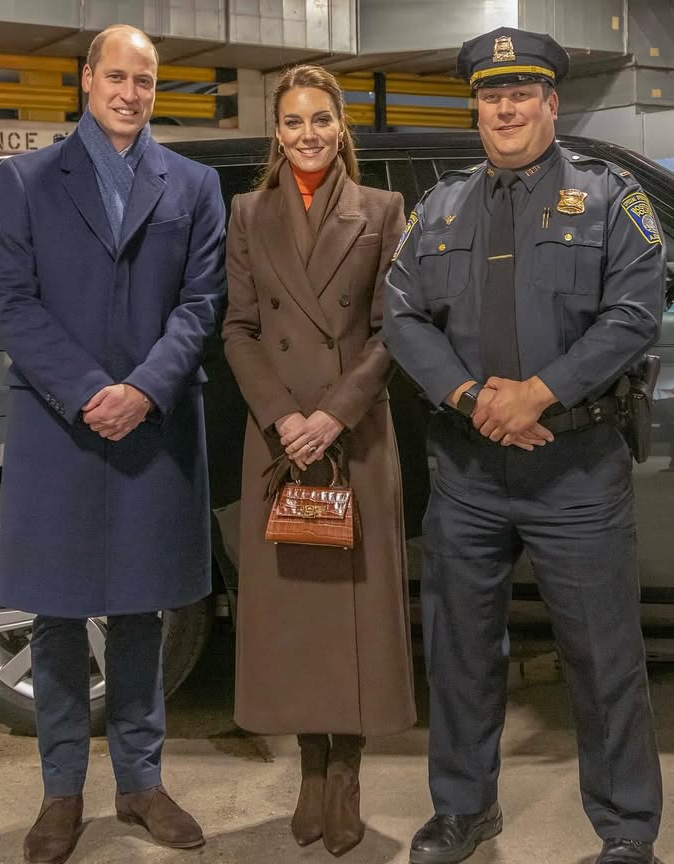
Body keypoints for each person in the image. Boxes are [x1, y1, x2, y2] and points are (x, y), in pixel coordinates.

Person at [383, 27, 665, 864]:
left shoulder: (611, 198)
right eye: (490, 94)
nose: (505, 106)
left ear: (550, 102)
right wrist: (474, 399)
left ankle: (625, 832)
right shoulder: (438, 207)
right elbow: (400, 317)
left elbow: (634, 313)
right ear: (476, 107)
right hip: (468, 468)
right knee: (461, 652)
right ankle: (464, 812)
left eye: (522, 92)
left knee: (602, 656)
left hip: (575, 466)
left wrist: (539, 393)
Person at [0, 24, 226, 864]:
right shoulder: (26, 179)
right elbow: (11, 300)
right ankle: (60, 792)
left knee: (140, 610)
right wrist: (92, 392)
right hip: (60, 423)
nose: (130, 93)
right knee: (54, 613)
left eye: (146, 81)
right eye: (116, 76)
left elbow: (201, 303)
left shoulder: (193, 185)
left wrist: (143, 390)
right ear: (85, 80)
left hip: (152, 424)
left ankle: (141, 783)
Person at [222, 64, 415, 857]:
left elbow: (393, 329)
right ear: (278, 130)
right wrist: (284, 417)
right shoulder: (248, 211)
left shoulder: (381, 210)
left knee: (357, 611)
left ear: (342, 129)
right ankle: (308, 765)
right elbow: (238, 328)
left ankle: (349, 771)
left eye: (321, 120)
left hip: (354, 432)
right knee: (292, 615)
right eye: (293, 121)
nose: (307, 134)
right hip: (278, 438)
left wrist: (332, 415)